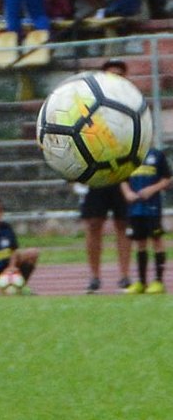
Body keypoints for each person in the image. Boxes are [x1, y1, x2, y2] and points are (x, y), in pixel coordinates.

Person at [79, 58, 134, 293]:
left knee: (123, 223)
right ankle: (94, 276)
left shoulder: (134, 105)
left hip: (123, 171)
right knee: (93, 223)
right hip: (98, 171)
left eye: (120, 75)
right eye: (112, 75)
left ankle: (124, 275)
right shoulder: (92, 104)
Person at [120, 147, 171, 294]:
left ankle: (158, 281)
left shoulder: (157, 155)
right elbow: (121, 178)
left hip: (152, 207)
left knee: (156, 240)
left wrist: (152, 189)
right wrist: (127, 193)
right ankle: (142, 282)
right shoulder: (129, 155)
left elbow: (166, 179)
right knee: (140, 243)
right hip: (135, 209)